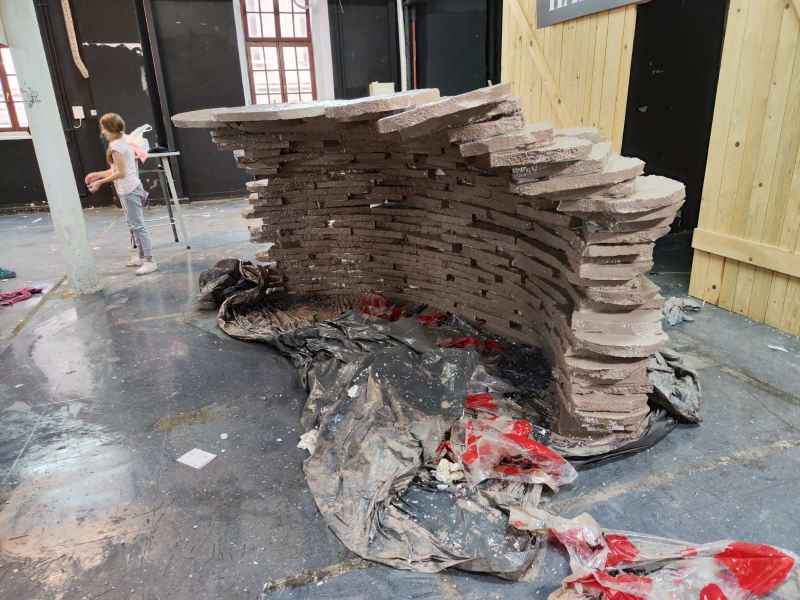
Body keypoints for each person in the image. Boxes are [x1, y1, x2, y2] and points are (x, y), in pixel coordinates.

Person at [85, 113, 157, 275]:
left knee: (138, 225)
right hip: (129, 188)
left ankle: (150, 260)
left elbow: (121, 173)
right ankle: (141, 257)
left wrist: (100, 182)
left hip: (129, 189)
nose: (102, 132)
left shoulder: (117, 146)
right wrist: (97, 175)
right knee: (134, 225)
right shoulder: (124, 140)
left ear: (109, 128)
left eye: (103, 128)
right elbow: (116, 170)